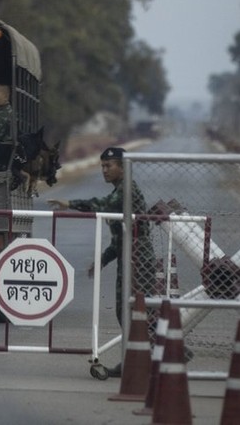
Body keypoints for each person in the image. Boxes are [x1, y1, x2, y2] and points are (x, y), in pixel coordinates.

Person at [47, 146, 156, 377]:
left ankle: (154, 362)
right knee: (124, 312)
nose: (104, 170)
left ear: (123, 167)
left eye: (109, 166)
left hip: (138, 260)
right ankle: (133, 364)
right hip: (128, 257)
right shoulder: (121, 188)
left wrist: (70, 204)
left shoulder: (126, 190)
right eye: (103, 166)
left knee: (137, 313)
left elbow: (103, 205)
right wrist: (102, 260)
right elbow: (119, 239)